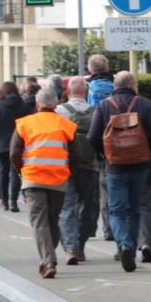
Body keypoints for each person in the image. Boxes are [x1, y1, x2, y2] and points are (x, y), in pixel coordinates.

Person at [87, 71, 151, 272]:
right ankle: (134, 243)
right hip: (140, 164)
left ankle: (124, 244)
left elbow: (93, 136)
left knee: (117, 209)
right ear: (131, 84)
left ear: (116, 85)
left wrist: (105, 154)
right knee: (135, 208)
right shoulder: (144, 104)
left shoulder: (104, 105)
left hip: (115, 166)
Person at [10, 88, 78, 279]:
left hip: (33, 178)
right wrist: (67, 172)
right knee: (52, 219)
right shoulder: (66, 124)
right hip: (58, 179)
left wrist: (21, 171)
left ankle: (48, 260)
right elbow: (75, 154)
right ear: (55, 104)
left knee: (40, 221)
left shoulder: (24, 124)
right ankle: (49, 257)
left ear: (38, 104)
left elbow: (14, 153)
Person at [57, 77, 100, 265]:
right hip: (89, 166)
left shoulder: (60, 111)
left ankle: (71, 248)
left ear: (68, 92)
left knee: (67, 207)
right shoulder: (95, 112)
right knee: (87, 206)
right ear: (86, 92)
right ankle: (81, 246)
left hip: (65, 165)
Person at [86, 54, 116, 240]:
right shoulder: (116, 85)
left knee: (98, 189)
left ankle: (103, 229)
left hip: (98, 143)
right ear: (107, 68)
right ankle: (113, 228)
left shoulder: (88, 87)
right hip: (118, 140)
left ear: (90, 69)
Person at [0, 81, 29, 212]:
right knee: (16, 172)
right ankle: (13, 202)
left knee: (3, 172)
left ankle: (4, 201)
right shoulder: (24, 106)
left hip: (1, 145)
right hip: (19, 144)